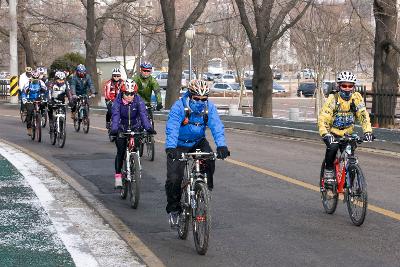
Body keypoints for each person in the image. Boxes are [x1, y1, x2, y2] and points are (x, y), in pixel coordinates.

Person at [164, 79, 230, 226]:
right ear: (190, 95)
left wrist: (222, 146)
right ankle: (174, 210)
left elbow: (216, 125)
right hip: (179, 144)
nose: (200, 102)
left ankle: (205, 190)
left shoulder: (209, 107)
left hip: (197, 141)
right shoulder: (179, 106)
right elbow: (172, 127)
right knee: (174, 178)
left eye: (204, 99)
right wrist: (171, 148)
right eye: (197, 99)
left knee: (210, 159)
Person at [318, 71, 373, 185]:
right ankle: (328, 171)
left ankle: (350, 189)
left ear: (353, 87)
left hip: (348, 134)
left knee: (351, 160)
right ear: (339, 86)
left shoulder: (356, 98)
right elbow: (324, 117)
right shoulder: (333, 98)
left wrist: (368, 131)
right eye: (344, 85)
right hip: (332, 133)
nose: (347, 88)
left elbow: (363, 116)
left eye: (350, 86)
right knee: (333, 147)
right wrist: (325, 134)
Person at [109, 79, 157, 188]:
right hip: (121, 128)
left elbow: (143, 115)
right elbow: (115, 116)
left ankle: (135, 164)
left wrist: (148, 128)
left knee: (137, 149)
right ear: (122, 92)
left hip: (136, 127)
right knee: (121, 152)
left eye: (132, 94)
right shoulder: (117, 102)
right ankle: (118, 177)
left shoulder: (138, 100)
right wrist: (114, 130)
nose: (129, 96)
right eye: (126, 93)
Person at [21, 70, 48, 136]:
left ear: (39, 77)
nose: (35, 79)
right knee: (29, 112)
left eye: (37, 78)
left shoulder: (41, 82)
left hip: (38, 99)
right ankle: (29, 128)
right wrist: (24, 99)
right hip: (30, 100)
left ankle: (42, 116)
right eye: (34, 77)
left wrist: (46, 97)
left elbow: (46, 91)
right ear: (31, 77)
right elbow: (24, 92)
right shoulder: (28, 83)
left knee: (44, 105)